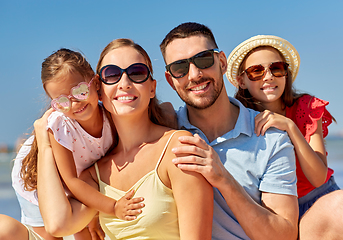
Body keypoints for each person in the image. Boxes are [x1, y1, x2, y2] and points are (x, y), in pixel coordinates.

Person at [34, 38, 213, 240]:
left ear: (152, 88)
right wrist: (44, 142)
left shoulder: (178, 148)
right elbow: (58, 224)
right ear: (99, 90)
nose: (125, 83)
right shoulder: (94, 175)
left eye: (137, 72)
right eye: (112, 75)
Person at [160, 22, 298, 240]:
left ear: (222, 62)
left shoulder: (271, 138)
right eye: (180, 68)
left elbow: (284, 235)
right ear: (170, 80)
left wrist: (224, 179)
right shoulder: (163, 130)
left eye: (203, 60)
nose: (194, 75)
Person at [226, 34, 343, 240]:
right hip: (280, 216)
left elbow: (317, 178)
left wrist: (291, 127)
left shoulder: (305, 107)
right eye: (256, 71)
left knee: (341, 203)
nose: (268, 76)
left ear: (285, 74)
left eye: (276, 68)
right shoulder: (239, 120)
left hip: (322, 199)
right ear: (241, 81)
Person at [5, 48, 145, 240]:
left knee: (87, 229)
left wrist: (96, 210)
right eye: (62, 101)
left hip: (80, 180)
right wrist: (111, 207)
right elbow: (70, 181)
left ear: (95, 83)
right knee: (50, 235)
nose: (74, 104)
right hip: (37, 181)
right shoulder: (62, 127)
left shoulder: (112, 117)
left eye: (80, 91)